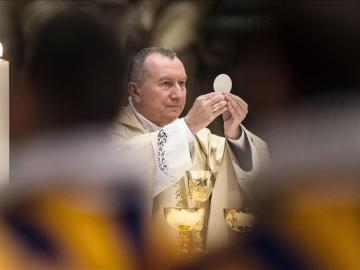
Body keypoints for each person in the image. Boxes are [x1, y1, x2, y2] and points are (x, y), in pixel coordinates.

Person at [112, 47, 270, 251]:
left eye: (182, 83)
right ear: (135, 90)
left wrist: (235, 135)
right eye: (166, 84)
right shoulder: (111, 135)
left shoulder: (199, 138)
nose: (178, 94)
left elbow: (255, 173)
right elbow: (126, 172)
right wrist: (188, 127)